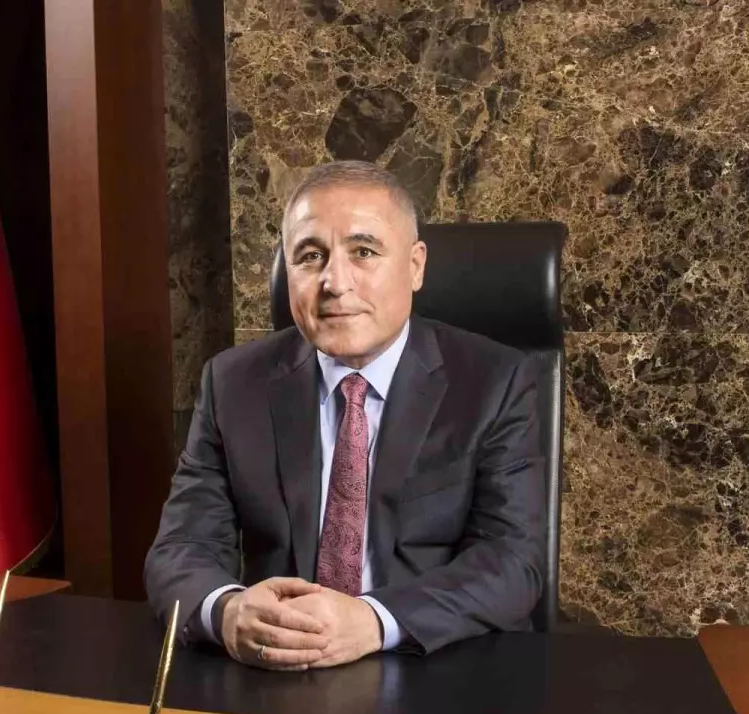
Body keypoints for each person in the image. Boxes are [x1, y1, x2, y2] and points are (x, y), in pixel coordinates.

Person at [144, 160, 547, 669]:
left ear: (415, 266)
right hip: (278, 670)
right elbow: (182, 547)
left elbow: (512, 562)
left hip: (436, 666)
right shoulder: (233, 383)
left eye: (364, 251)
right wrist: (226, 610)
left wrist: (372, 620)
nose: (334, 282)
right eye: (310, 256)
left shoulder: (494, 381)